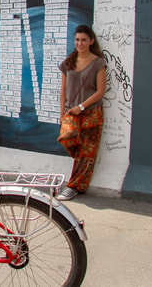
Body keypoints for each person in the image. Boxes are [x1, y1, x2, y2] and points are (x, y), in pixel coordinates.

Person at [57, 25, 106, 201]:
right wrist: (63, 113)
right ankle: (78, 181)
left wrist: (82, 106)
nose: (80, 43)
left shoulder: (98, 63)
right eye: (77, 40)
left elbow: (100, 91)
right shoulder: (68, 62)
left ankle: (74, 186)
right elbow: (63, 90)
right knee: (67, 137)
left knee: (87, 153)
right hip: (71, 111)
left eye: (84, 40)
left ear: (91, 41)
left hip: (91, 112)